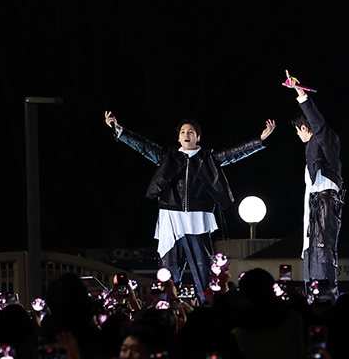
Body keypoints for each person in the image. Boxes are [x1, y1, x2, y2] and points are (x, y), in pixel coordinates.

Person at [104, 110, 276, 300]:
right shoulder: (168, 156)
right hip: (171, 215)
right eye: (183, 132)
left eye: (191, 132)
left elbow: (233, 153)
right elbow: (143, 146)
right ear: (178, 138)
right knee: (169, 267)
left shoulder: (208, 157)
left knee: (203, 265)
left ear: (198, 137)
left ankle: (208, 303)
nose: (187, 135)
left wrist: (259, 140)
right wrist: (120, 130)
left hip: (198, 217)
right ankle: (167, 306)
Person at [285, 71, 344, 295]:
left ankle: (324, 300)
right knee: (312, 253)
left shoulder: (324, 140)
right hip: (315, 204)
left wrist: (300, 94)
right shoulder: (312, 149)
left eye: (297, 131)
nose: (298, 136)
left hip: (325, 201)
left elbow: (318, 125)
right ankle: (314, 298)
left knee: (322, 253)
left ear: (303, 128)